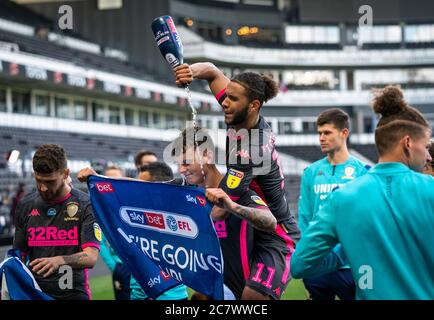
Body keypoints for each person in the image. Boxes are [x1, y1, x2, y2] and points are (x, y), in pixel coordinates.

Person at [290, 85, 434, 300]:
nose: (428, 157)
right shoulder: (429, 188)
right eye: (425, 147)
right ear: (408, 143)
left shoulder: (341, 198)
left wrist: (347, 247)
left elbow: (300, 264)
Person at [174, 63, 300, 300]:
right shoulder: (239, 108)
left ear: (254, 105)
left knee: (252, 300)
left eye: (232, 98)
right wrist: (190, 71)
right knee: (203, 297)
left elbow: (220, 210)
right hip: (246, 220)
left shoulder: (252, 150)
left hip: (275, 234)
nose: (224, 102)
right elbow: (211, 70)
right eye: (226, 96)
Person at [298, 108, 370, 300]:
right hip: (318, 264)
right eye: (319, 133)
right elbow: (305, 218)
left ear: (344, 133)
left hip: (351, 264)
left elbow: (365, 223)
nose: (321, 138)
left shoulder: (363, 172)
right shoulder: (310, 172)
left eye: (327, 132)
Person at [13, 144, 100, 300]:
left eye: (50, 181)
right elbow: (18, 256)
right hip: (35, 293)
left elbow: (91, 257)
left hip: (73, 294)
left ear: (65, 173)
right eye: (38, 180)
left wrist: (59, 260)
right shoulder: (25, 205)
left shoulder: (86, 204)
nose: (43, 188)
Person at [99, 165, 132, 300]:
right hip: (121, 267)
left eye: (115, 178)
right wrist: (114, 266)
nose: (111, 181)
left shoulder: (132, 202)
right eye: (108, 179)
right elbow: (99, 240)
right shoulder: (101, 208)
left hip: (141, 265)